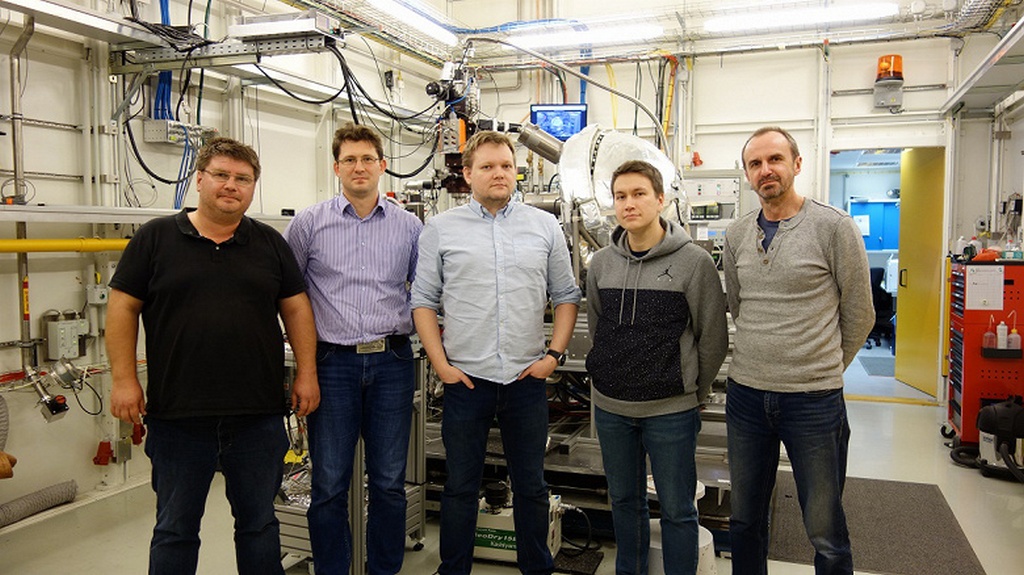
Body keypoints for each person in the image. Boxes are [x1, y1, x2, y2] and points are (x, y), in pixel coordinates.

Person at [106, 137, 320, 575]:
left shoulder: (269, 243)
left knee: (259, 525)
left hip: (257, 416)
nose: (231, 185)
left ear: (253, 187)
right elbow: (122, 308)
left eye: (243, 178)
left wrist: (307, 374)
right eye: (221, 175)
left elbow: (297, 309)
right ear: (200, 179)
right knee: (175, 528)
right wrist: (124, 380)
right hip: (178, 416)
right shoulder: (155, 238)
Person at [411, 131, 581, 575]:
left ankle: (536, 568)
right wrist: (441, 365)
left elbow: (567, 295)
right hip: (466, 381)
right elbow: (423, 301)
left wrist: (554, 356)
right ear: (468, 174)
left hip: (526, 380)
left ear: (516, 171)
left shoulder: (544, 226)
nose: (499, 173)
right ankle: (453, 570)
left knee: (532, 487)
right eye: (487, 166)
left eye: (506, 165)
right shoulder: (441, 229)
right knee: (460, 487)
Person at [722, 127, 873, 575]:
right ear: (747, 174)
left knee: (824, 529)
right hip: (746, 397)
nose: (765, 170)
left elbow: (860, 313)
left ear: (797, 164)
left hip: (813, 402)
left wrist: (822, 366)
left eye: (775, 159)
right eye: (755, 163)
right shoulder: (736, 233)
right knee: (744, 520)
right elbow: (738, 305)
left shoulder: (834, 227)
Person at [284, 123, 423, 575]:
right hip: (332, 362)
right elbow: (289, 294)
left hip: (393, 360)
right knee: (328, 484)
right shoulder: (308, 223)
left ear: (382, 166)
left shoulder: (409, 226)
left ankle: (384, 570)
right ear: (336, 167)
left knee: (388, 483)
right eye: (349, 160)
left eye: (367, 159)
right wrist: (303, 366)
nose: (358, 167)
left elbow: (424, 292)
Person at [586, 160, 728, 575]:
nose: (628, 204)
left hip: (671, 411)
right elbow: (598, 327)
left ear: (661, 199)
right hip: (612, 408)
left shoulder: (694, 262)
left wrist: (693, 391)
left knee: (678, 508)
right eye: (620, 196)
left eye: (639, 194)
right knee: (624, 501)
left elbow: (712, 338)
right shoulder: (601, 263)